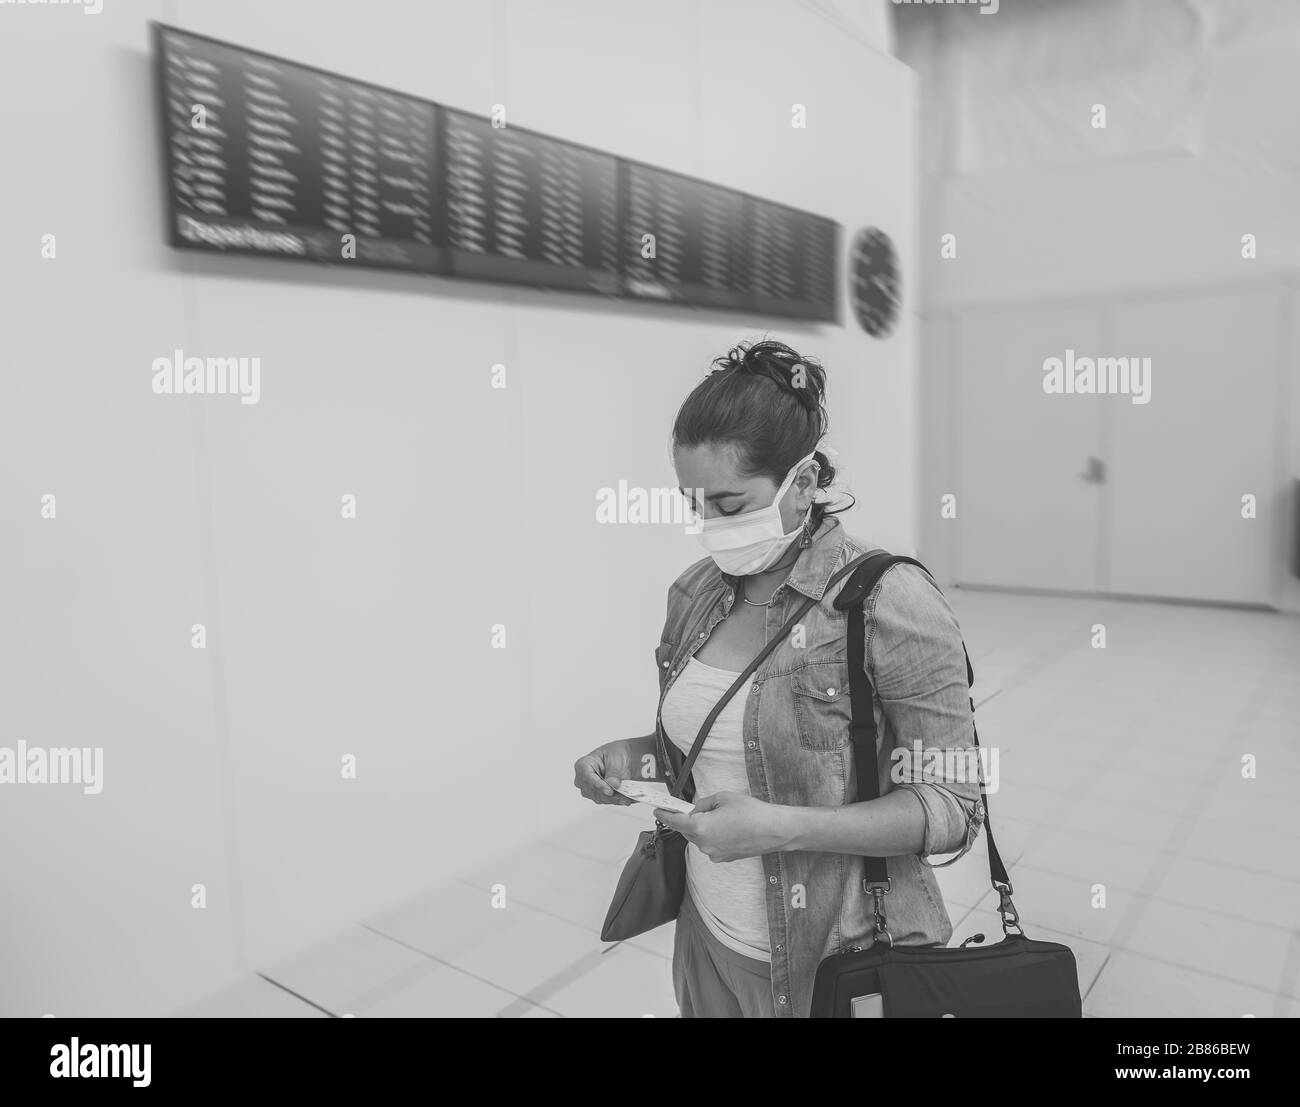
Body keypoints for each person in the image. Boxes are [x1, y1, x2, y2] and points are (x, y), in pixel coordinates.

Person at [573, 339, 984, 1018]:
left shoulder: (888, 598)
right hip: (707, 938)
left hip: (834, 959)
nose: (710, 528)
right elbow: (702, 753)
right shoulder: (697, 592)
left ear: (803, 481)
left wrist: (780, 828)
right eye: (694, 504)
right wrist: (627, 757)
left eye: (731, 505)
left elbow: (949, 806)